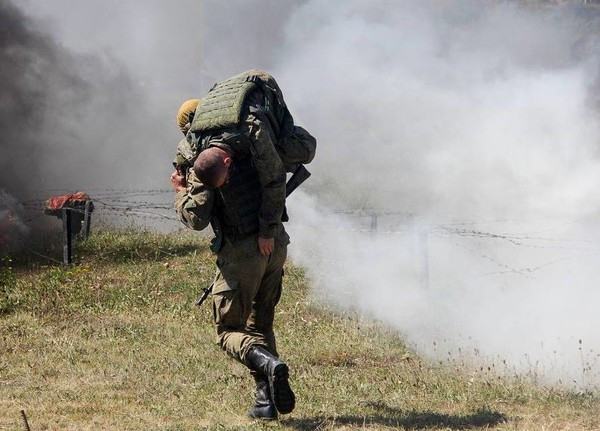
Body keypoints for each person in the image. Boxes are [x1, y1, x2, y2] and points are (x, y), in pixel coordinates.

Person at [171, 69, 315, 420]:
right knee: (260, 324)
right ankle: (266, 402)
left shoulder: (200, 153)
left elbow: (197, 218)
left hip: (242, 251)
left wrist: (180, 191)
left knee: (228, 332)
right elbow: (276, 176)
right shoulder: (251, 134)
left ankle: (270, 363)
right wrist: (268, 231)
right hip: (276, 243)